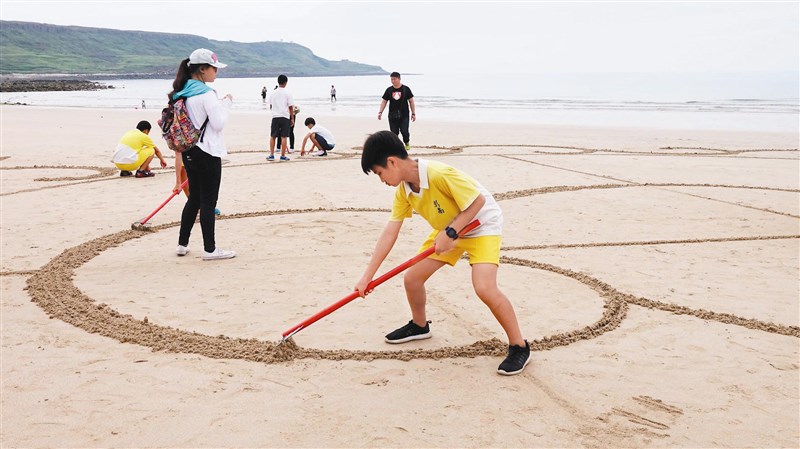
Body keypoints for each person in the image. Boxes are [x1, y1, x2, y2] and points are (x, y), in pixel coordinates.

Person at [355, 131, 530, 376]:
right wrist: (367, 276)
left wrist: (451, 230)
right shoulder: (404, 191)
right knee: (412, 279)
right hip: (449, 229)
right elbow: (390, 233)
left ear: (392, 162)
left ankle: (519, 346)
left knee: (484, 288)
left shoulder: (438, 174)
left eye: (379, 173)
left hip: (481, 226)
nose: (381, 179)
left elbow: (477, 202)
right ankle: (419, 326)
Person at [168, 48, 235, 261]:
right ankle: (210, 249)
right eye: (214, 68)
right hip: (207, 151)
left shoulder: (182, 92)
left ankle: (182, 244)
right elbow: (219, 123)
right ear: (202, 69)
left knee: (194, 199)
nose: (216, 71)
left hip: (189, 151)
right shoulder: (206, 93)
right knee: (208, 201)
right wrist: (226, 104)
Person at [377, 72, 415, 151]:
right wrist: (380, 112)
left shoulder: (406, 89)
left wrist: (413, 113)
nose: (392, 81)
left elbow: (411, 101)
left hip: (404, 115)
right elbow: (384, 101)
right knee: (394, 133)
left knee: (405, 132)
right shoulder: (389, 90)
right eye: (391, 79)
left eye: (394, 79)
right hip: (392, 115)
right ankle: (397, 147)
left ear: (399, 79)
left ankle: (406, 142)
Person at [267, 74, 294, 162]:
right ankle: (282, 156)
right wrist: (292, 118)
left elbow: (270, 106)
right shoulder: (288, 93)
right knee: (284, 137)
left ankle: (271, 155)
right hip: (285, 116)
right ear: (286, 82)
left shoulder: (272, 93)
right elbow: (290, 107)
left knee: (273, 136)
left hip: (275, 116)